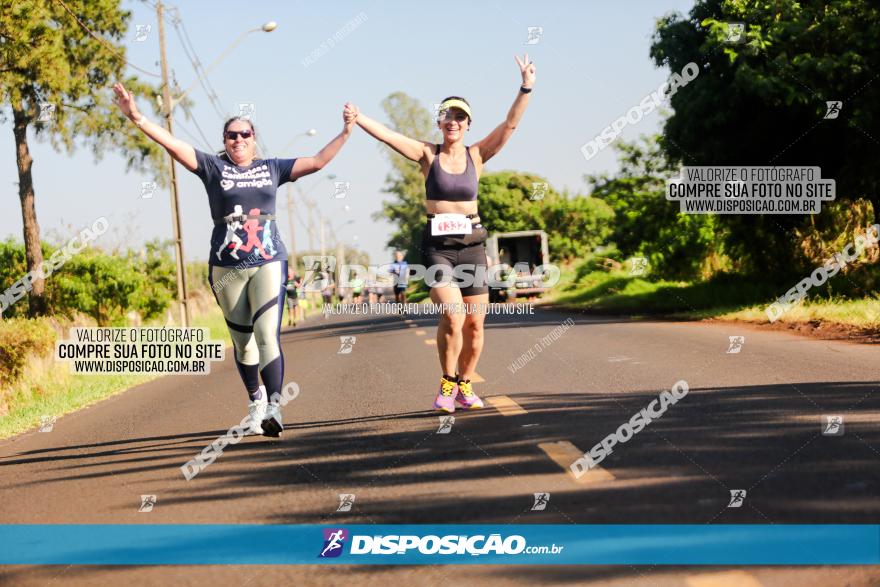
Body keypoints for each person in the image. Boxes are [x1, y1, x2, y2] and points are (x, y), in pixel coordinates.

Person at [114, 82, 357, 436]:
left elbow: (318, 162)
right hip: (226, 266)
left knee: (266, 335)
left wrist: (346, 131)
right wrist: (136, 116)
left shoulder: (273, 168)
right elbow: (171, 143)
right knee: (242, 342)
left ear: (254, 137)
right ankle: (255, 399)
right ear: (224, 139)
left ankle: (275, 406)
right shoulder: (212, 167)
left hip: (268, 259)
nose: (238, 140)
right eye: (231, 135)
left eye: (244, 134)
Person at [350, 54, 536, 412]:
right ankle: (447, 384)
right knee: (453, 314)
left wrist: (526, 87)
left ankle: (465, 384)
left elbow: (510, 126)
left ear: (467, 124)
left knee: (476, 326)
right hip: (439, 248)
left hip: (472, 246)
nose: (453, 121)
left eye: (459, 116)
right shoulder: (427, 154)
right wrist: (359, 119)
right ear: (440, 121)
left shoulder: (478, 155)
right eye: (447, 115)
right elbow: (389, 136)